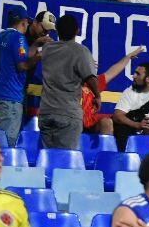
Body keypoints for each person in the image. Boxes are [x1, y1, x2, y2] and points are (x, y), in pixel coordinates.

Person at [37, 13, 101, 150]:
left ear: (57, 31)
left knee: (48, 160)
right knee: (64, 162)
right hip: (68, 114)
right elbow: (90, 77)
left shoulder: (47, 49)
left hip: (46, 113)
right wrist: (98, 95)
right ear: (77, 31)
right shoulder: (80, 51)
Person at [0, 7, 43, 139]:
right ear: (23, 22)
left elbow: (16, 56)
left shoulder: (2, 36)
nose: (27, 25)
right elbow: (22, 65)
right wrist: (38, 57)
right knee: (8, 143)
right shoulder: (19, 38)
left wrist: (35, 44)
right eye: (27, 23)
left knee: (0, 139)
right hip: (10, 96)